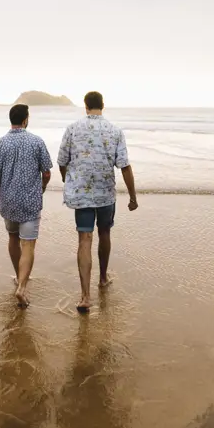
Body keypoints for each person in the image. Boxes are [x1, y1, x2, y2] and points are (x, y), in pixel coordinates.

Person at [57, 91, 138, 313]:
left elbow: (62, 161)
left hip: (81, 196)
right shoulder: (115, 130)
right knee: (104, 233)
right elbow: (125, 166)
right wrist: (132, 196)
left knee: (85, 238)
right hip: (105, 195)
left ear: (85, 106)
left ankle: (85, 296)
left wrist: (68, 179)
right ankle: (102, 278)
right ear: (103, 105)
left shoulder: (73, 128)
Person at [0, 104, 52, 308]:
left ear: (11, 120)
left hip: (8, 203)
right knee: (28, 245)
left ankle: (19, 278)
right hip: (30, 202)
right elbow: (46, 172)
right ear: (26, 119)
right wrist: (42, 188)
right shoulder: (37, 142)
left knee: (12, 238)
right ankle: (22, 287)